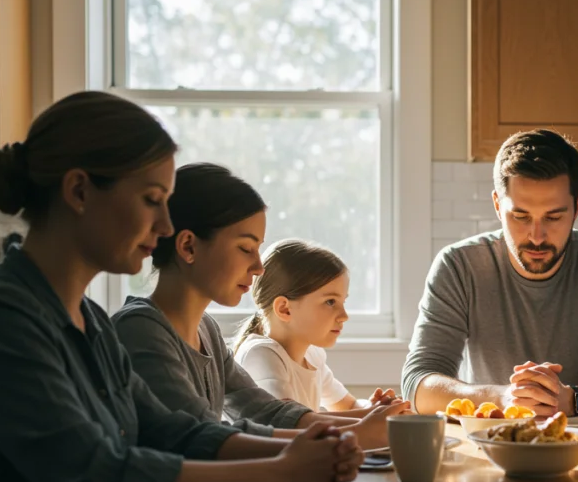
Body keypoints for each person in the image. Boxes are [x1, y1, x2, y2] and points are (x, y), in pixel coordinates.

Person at [0, 91, 362, 482]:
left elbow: (170, 430)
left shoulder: (89, 320)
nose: (164, 226)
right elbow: (96, 475)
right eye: (151, 199)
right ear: (79, 191)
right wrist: (281, 473)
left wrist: (306, 449)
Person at [113, 164, 407, 450]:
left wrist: (370, 421)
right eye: (246, 248)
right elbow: (203, 436)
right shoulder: (140, 330)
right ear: (188, 246)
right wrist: (354, 434)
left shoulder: (206, 330)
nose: (258, 267)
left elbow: (265, 411)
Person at [402, 129, 578, 417]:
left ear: (577, 207)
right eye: (520, 216)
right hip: (489, 435)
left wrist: (573, 399)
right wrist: (502, 398)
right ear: (497, 205)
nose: (537, 236)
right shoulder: (458, 266)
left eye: (553, 217)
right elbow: (417, 383)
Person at [234, 239, 359, 412]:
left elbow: (349, 406)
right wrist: (374, 415)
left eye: (342, 302)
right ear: (284, 309)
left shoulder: (312, 356)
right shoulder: (261, 356)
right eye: (330, 302)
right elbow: (293, 422)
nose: (344, 316)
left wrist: (379, 407)